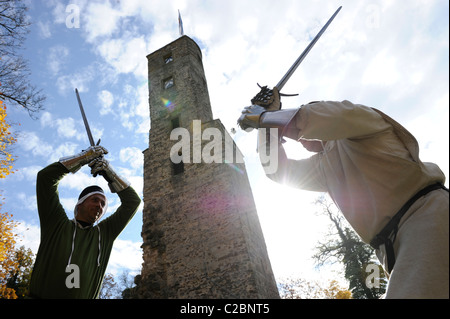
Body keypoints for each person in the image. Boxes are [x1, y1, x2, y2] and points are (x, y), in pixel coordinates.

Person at [238, 99, 449, 298]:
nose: (299, 138)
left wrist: (267, 116)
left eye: (300, 132)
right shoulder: (325, 168)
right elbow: (276, 170)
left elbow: (328, 117)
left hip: (427, 217)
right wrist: (266, 127)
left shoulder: (366, 124)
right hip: (394, 247)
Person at [29, 145, 141, 299]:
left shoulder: (104, 234)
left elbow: (133, 202)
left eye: (103, 204)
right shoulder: (56, 224)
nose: (99, 206)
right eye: (95, 200)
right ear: (79, 205)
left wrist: (110, 173)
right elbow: (45, 178)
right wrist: (83, 158)